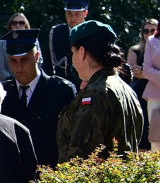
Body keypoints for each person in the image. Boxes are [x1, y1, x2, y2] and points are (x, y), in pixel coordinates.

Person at [57, 20, 143, 162]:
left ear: (82, 52)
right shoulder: (127, 89)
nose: (73, 60)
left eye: (73, 52)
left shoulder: (96, 93)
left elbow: (82, 158)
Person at [0, 29, 77, 168]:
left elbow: (72, 139)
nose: (19, 66)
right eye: (13, 61)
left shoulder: (62, 90)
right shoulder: (2, 92)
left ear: (36, 57)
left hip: (49, 175)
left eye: (24, 59)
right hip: (13, 176)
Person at [45, 0, 89, 81]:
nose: (73, 18)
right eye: (69, 13)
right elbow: (48, 65)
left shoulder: (91, 32)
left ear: (85, 13)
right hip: (61, 86)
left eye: (77, 14)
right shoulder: (56, 33)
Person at [127, 18, 156, 149]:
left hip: (155, 91)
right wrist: (153, 72)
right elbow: (132, 71)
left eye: (152, 30)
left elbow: (139, 71)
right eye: (145, 31)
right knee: (142, 129)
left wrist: (144, 71)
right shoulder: (135, 50)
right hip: (140, 92)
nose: (148, 33)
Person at [0, 12, 37, 79]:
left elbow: (39, 62)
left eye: (21, 23)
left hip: (30, 80)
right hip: (9, 82)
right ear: (10, 25)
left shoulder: (34, 41)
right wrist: (13, 81)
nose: (17, 25)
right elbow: (0, 67)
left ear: (26, 25)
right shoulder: (2, 43)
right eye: (14, 23)